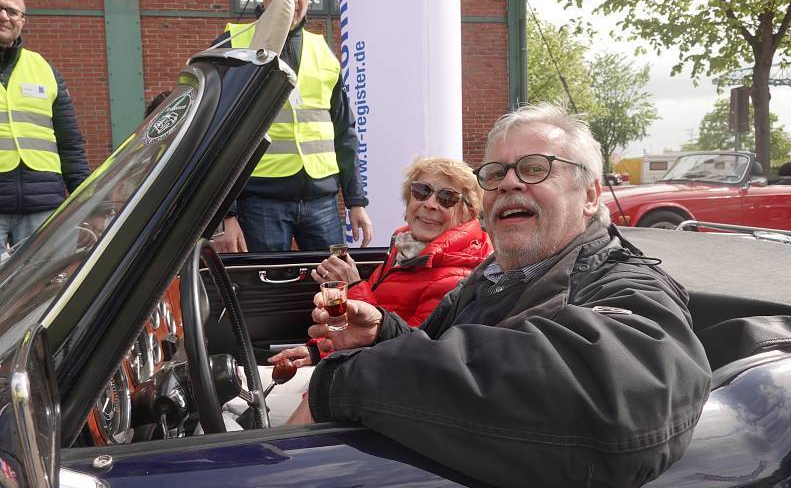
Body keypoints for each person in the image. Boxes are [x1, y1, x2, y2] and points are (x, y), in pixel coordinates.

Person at [285, 103, 712, 487]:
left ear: (589, 195)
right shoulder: (491, 276)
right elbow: (447, 353)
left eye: (534, 168)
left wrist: (346, 382)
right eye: (494, 173)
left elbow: (623, 404)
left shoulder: (625, 282)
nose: (509, 182)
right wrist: (385, 333)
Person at [213, 0, 371, 253]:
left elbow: (344, 133)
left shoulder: (323, 51)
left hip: (322, 203)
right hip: (259, 204)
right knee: (269, 284)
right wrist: (226, 215)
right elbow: (215, 138)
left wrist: (356, 202)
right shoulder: (231, 46)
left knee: (336, 281)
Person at [270, 157, 493, 367]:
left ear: (468, 212)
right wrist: (317, 351)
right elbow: (372, 326)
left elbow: (409, 349)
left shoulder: (456, 275)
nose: (430, 204)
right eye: (421, 191)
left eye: (447, 198)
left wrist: (354, 285)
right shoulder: (405, 249)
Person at [0, 0, 89, 251]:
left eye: (12, 11)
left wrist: (87, 199)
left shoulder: (44, 69)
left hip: (43, 206)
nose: (4, 16)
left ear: (22, 21)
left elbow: (69, 141)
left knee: (50, 278)